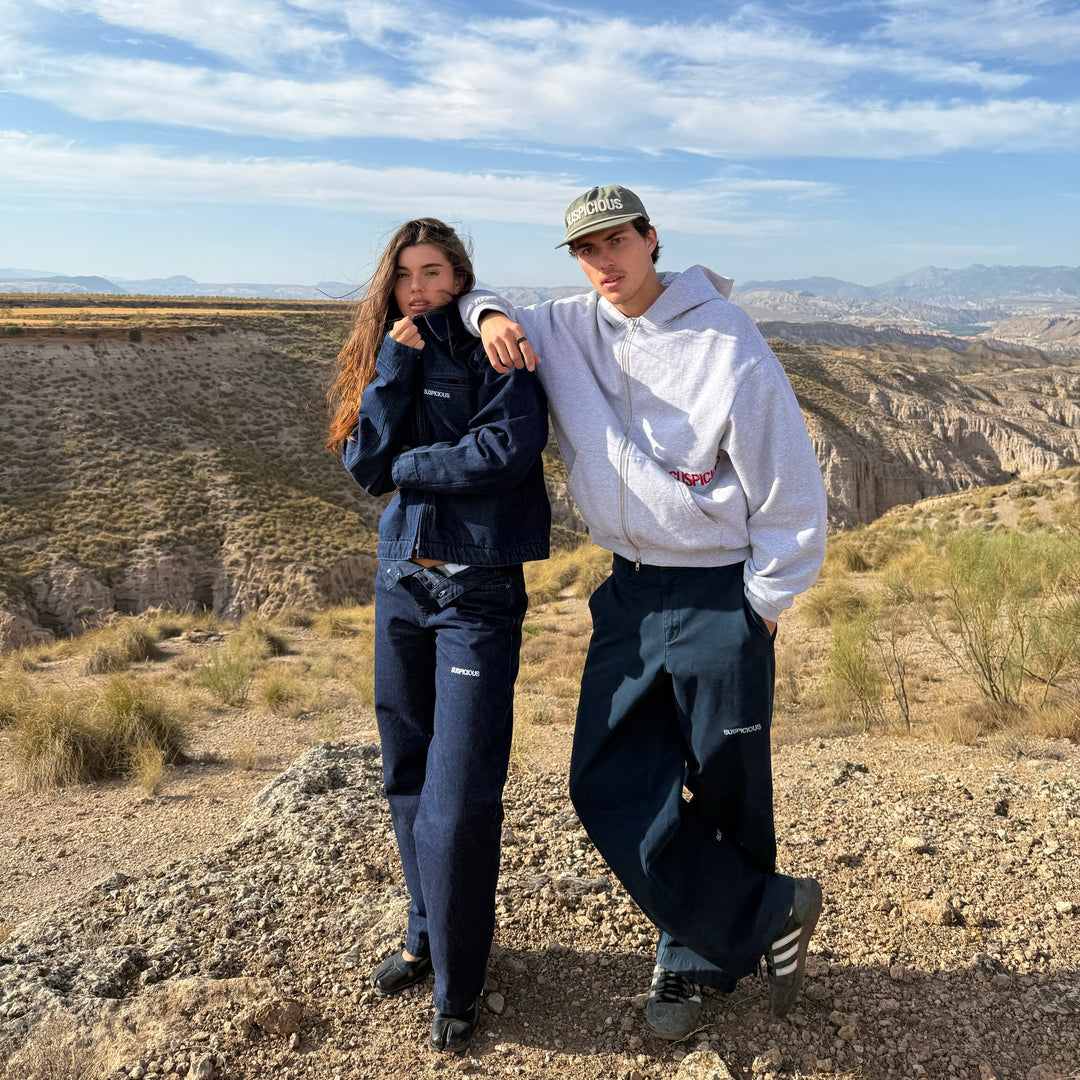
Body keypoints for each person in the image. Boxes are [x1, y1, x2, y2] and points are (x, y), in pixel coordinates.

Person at [458, 185, 828, 1037]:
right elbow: (481, 296)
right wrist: (489, 318)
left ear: (651, 239)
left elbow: (787, 479)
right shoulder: (567, 326)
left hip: (718, 589)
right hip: (628, 589)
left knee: (726, 784)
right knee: (605, 779)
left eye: (616, 242)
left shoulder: (725, 338)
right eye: (586, 250)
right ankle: (768, 913)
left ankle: (695, 963)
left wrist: (763, 605)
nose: (604, 262)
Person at [328, 218, 550, 1054]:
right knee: (407, 776)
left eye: (432, 272)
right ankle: (425, 937)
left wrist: (408, 467)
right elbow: (362, 463)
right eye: (404, 274)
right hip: (400, 583)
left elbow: (505, 450)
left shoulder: (493, 346)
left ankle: (459, 982)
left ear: (459, 276)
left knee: (458, 801)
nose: (417, 288)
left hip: (475, 593)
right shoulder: (393, 351)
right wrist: (392, 369)